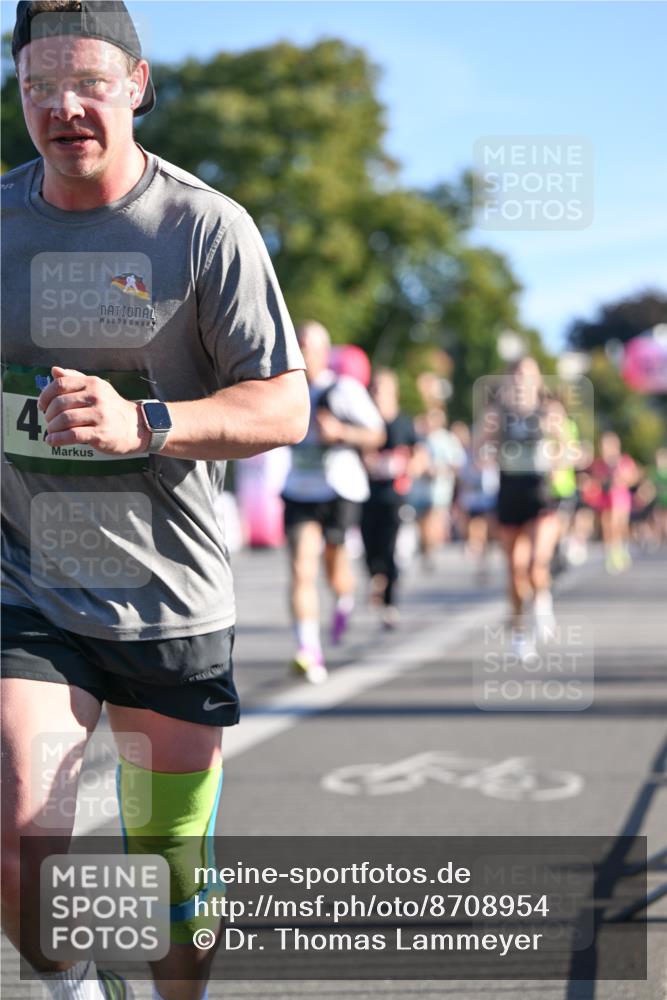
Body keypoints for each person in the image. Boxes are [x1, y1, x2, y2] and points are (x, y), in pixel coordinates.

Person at [1, 4, 309, 1000]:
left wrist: (147, 424)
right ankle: (76, 986)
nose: (64, 108)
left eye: (88, 81)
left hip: (168, 596)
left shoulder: (202, 226)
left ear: (137, 85)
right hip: (27, 581)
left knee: (173, 877)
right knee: (18, 831)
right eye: (39, 85)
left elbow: (285, 403)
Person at [281, 322, 385, 682]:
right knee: (300, 567)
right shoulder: (283, 391)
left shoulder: (344, 390)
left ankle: (344, 601)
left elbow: (376, 434)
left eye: (307, 345)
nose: (300, 350)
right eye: (296, 343)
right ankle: (308, 650)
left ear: (324, 352)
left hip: (339, 490)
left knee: (335, 567)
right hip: (299, 489)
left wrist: (341, 432)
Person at [478, 356, 569, 657]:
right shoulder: (497, 414)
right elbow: (479, 448)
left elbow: (570, 447)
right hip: (509, 493)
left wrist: (559, 461)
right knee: (515, 569)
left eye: (526, 375)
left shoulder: (549, 411)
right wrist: (485, 454)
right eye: (515, 375)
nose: (520, 381)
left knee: (535, 563)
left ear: (537, 381)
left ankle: (542, 603)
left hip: (540, 493)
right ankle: (519, 632)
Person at [361, 369, 428, 628]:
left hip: (395, 495)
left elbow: (420, 455)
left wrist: (406, 467)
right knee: (369, 548)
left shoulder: (404, 422)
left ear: (393, 392)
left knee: (390, 549)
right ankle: (376, 578)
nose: (377, 393)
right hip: (367, 493)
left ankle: (390, 603)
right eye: (374, 388)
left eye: (382, 388)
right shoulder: (364, 421)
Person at [584, 431, 638, 573]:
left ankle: (622, 549)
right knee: (608, 526)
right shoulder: (599, 463)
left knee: (620, 526)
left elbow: (633, 478)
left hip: (620, 498)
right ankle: (611, 554)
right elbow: (595, 479)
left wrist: (621, 478)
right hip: (605, 498)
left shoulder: (624, 461)